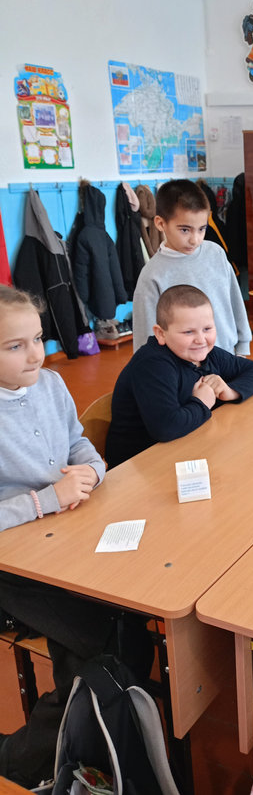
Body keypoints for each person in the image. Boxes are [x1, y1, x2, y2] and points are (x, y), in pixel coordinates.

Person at [0, 285, 151, 788]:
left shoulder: (50, 384)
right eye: (15, 346)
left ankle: (93, 739)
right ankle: (22, 759)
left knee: (126, 613)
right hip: (14, 565)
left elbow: (78, 444)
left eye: (37, 338)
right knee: (104, 644)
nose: (35, 354)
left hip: (67, 537)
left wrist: (92, 470)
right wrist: (49, 498)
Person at [106, 285, 253, 468]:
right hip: (139, 466)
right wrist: (202, 403)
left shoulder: (206, 354)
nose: (201, 339)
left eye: (207, 329)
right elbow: (165, 428)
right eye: (188, 332)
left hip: (188, 447)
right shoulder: (153, 365)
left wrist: (230, 391)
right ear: (161, 334)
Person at [132, 179, 251, 355]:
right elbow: (145, 338)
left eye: (201, 229)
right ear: (160, 223)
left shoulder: (216, 253)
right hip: (184, 366)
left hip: (228, 356)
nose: (195, 239)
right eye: (185, 230)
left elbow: (235, 301)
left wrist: (242, 348)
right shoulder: (152, 275)